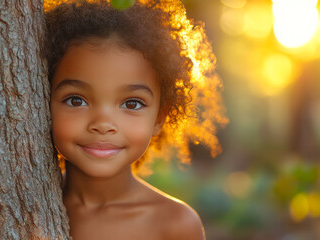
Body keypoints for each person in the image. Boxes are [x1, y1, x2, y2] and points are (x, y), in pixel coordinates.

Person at [44, 0, 227, 239]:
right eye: (76, 100)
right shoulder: (24, 201)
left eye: (132, 103)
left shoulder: (175, 224)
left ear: (159, 117)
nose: (103, 124)